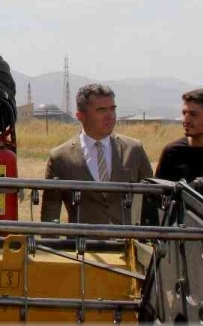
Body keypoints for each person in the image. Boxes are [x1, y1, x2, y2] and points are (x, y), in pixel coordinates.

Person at [42, 83, 153, 224]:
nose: (110, 116)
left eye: (112, 109)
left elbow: (151, 202)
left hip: (127, 243)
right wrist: (52, 244)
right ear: (80, 116)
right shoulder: (60, 157)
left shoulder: (134, 150)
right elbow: (50, 213)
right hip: (82, 243)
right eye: (101, 110)